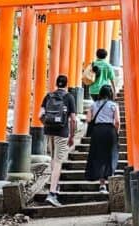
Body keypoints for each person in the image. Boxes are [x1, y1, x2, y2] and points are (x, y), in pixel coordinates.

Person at [39, 74, 77, 207]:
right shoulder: (69, 97)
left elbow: (40, 115)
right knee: (58, 161)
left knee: (53, 160)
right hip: (62, 132)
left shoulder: (48, 96)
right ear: (66, 84)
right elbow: (73, 119)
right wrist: (72, 136)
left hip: (49, 131)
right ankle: (52, 193)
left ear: (56, 84)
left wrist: (48, 124)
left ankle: (55, 186)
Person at [84, 84, 120, 193]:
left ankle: (102, 184)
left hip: (98, 131)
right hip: (110, 131)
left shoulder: (93, 105)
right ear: (110, 94)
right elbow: (117, 122)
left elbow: (88, 119)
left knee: (99, 156)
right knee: (110, 155)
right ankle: (110, 178)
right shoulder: (114, 105)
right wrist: (116, 133)